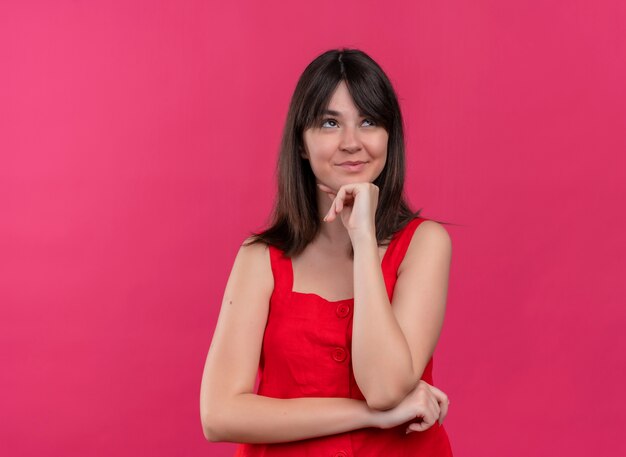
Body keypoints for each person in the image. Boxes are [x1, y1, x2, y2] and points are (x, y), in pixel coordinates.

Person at [200, 48, 454, 456]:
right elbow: (219, 415)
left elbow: (386, 387)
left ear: (390, 137)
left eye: (369, 121)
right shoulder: (260, 258)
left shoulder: (425, 244)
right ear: (301, 143)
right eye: (330, 123)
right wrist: (370, 416)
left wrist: (364, 239)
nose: (352, 143)